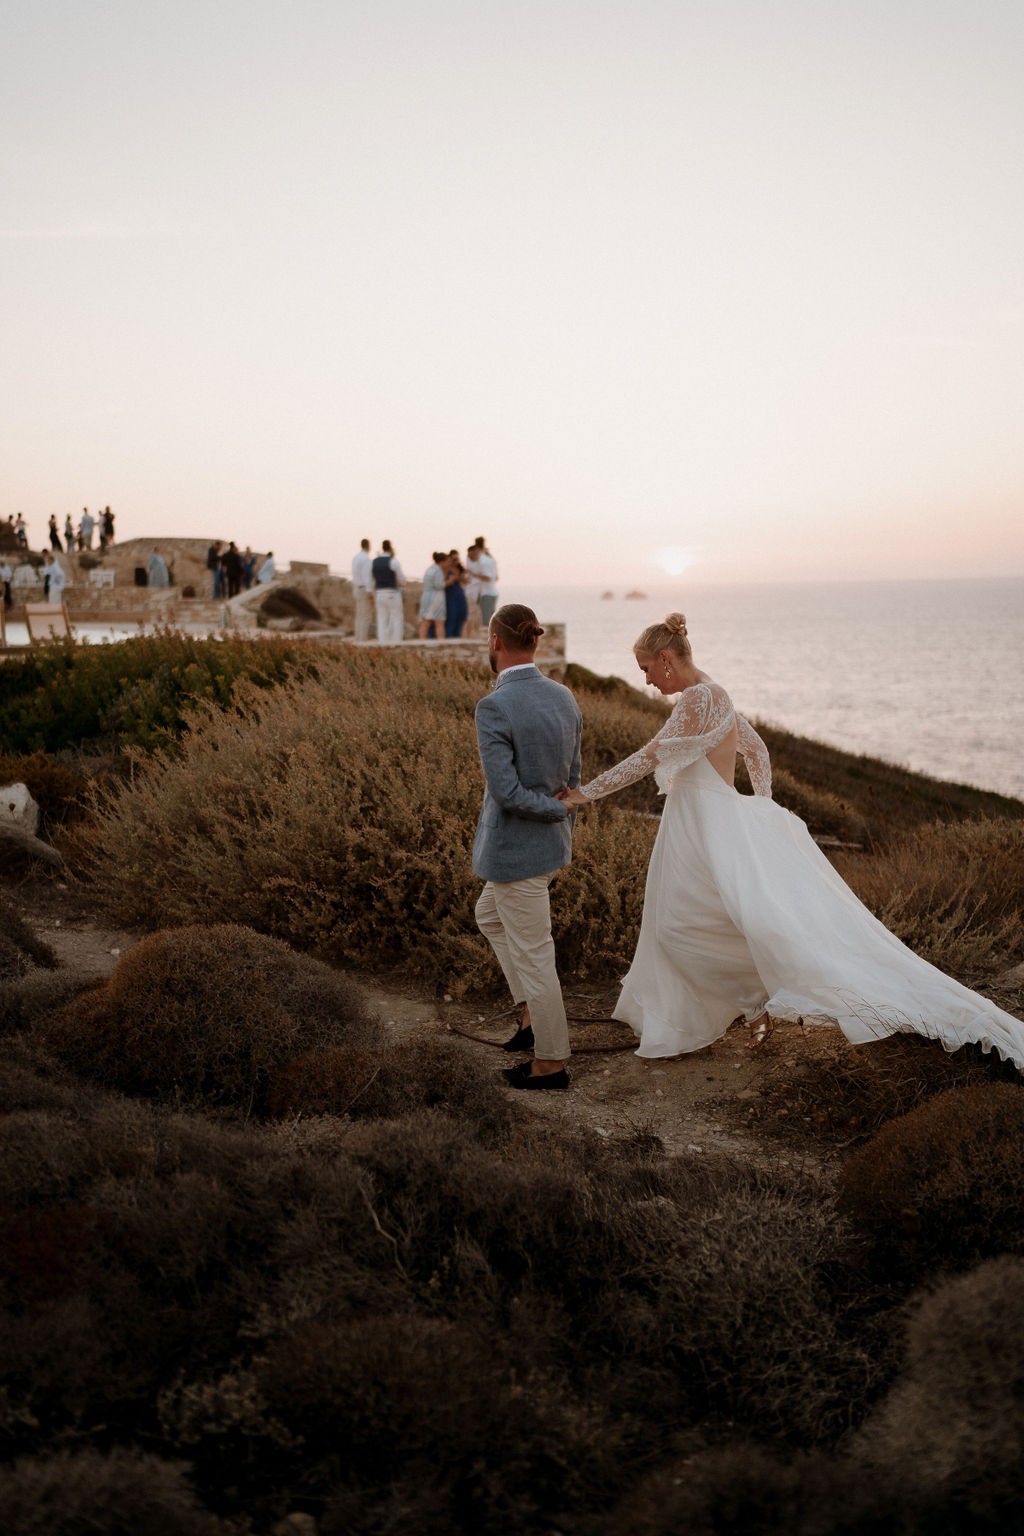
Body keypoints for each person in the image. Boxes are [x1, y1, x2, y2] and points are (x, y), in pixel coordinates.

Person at [558, 612, 1024, 1069]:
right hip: (708, 820)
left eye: (645, 670)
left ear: (665, 658)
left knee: (681, 927)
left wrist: (585, 793)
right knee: (695, 923)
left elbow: (651, 755)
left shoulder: (697, 698)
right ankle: (719, 1017)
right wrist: (757, 808)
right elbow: (756, 750)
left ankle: (732, 1012)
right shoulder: (716, 693)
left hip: (702, 824)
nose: (645, 682)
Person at [473, 603, 582, 1090]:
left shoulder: (493, 706)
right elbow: (572, 778)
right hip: (548, 845)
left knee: (538, 958)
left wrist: (557, 809)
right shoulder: (563, 695)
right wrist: (561, 808)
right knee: (488, 915)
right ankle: (530, 1017)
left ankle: (551, 1063)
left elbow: (507, 793)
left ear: (496, 642)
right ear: (534, 641)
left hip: (518, 852)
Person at [371, 539, 405, 645]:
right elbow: (402, 579)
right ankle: (396, 641)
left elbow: (371, 579)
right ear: (390, 548)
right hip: (391, 592)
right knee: (396, 617)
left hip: (379, 592)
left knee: (381, 618)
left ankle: (382, 641)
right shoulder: (393, 561)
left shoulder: (374, 562)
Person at [418, 551, 447, 639]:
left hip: (427, 597)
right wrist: (450, 581)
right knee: (438, 622)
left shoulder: (429, 569)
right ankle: (441, 642)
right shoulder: (438, 570)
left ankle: (421, 641)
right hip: (435, 598)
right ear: (442, 561)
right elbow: (439, 585)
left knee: (425, 622)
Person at [351, 537, 374, 641]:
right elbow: (367, 576)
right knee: (366, 616)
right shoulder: (366, 559)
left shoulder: (355, 558)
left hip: (356, 587)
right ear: (368, 546)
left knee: (359, 615)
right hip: (364, 588)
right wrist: (370, 593)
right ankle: (363, 640)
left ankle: (358, 638)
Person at [473, 537, 499, 627]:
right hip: (493, 592)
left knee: (486, 622)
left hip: (486, 593)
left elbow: (487, 577)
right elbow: (496, 577)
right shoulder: (490, 557)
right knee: (491, 620)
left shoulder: (483, 559)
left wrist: (473, 574)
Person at [444, 550, 469, 637]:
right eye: (453, 559)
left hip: (459, 593)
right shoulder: (446, 569)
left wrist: (460, 577)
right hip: (450, 594)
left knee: (461, 615)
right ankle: (449, 636)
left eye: (457, 559)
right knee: (451, 616)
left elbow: (467, 581)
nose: (455, 561)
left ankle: (458, 635)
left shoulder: (460, 569)